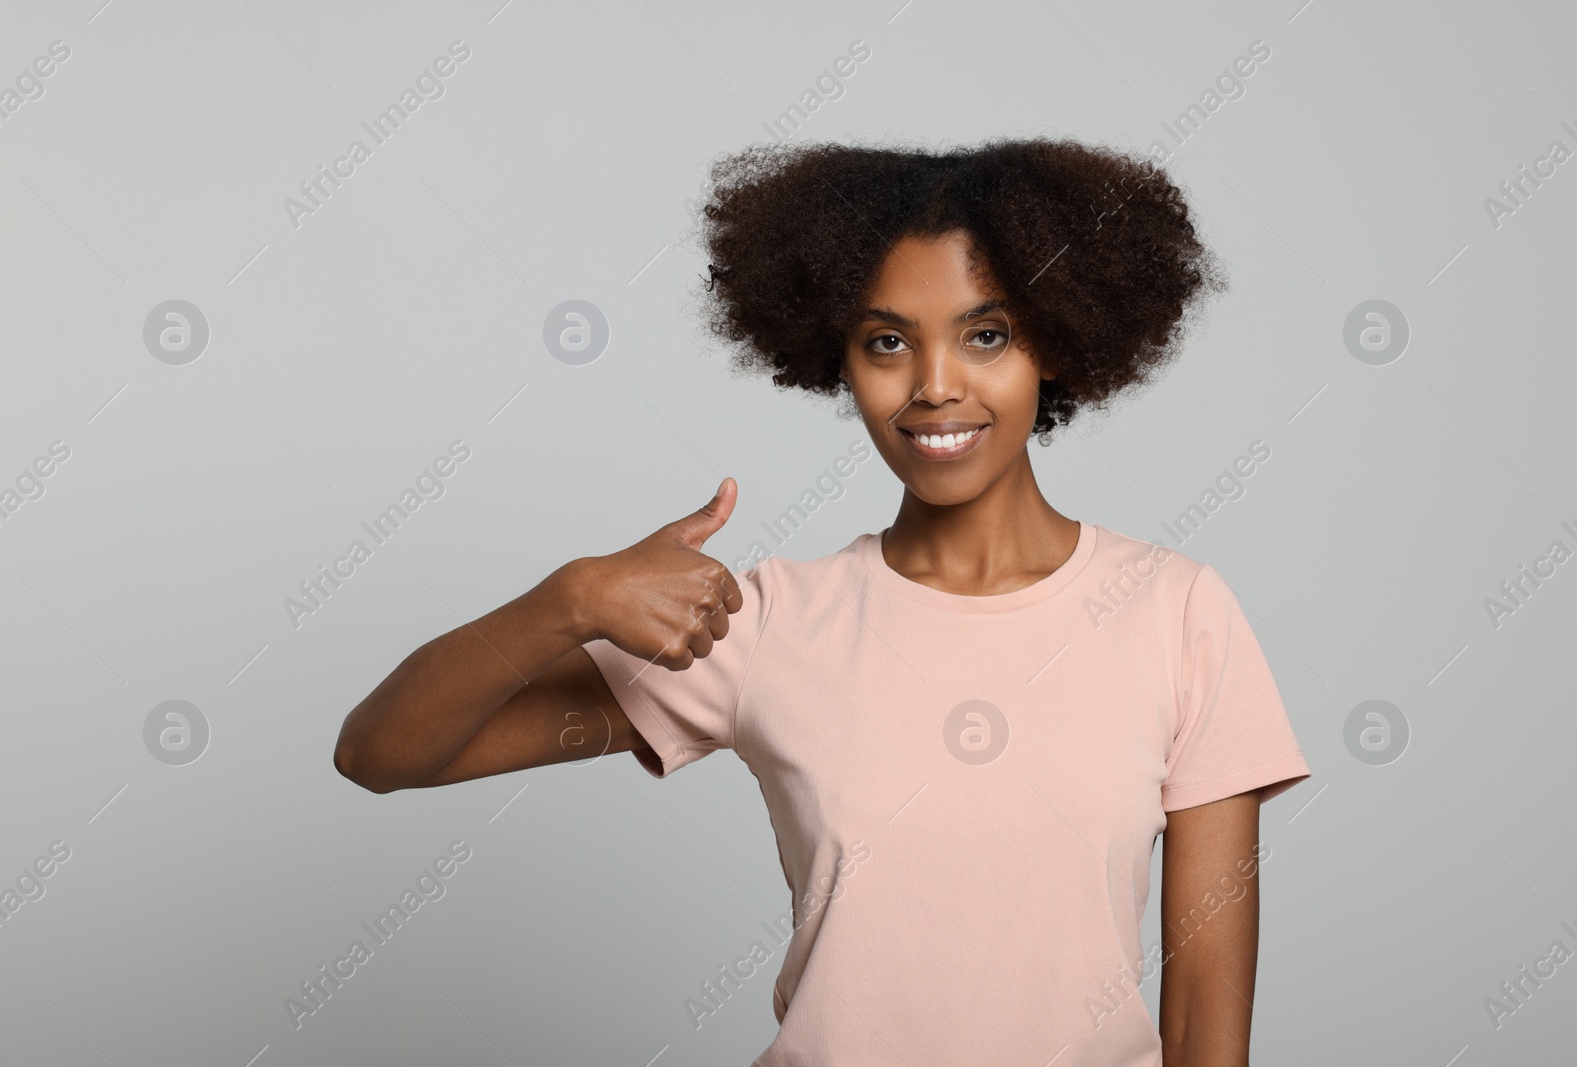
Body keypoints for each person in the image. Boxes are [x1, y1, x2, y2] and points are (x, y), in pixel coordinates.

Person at [333, 136, 1311, 1066]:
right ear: (836, 358)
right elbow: (380, 753)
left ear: (1053, 344)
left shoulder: (1175, 613)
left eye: (985, 333)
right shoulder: (761, 623)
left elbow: (1206, 1023)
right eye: (887, 340)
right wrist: (573, 596)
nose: (933, 385)